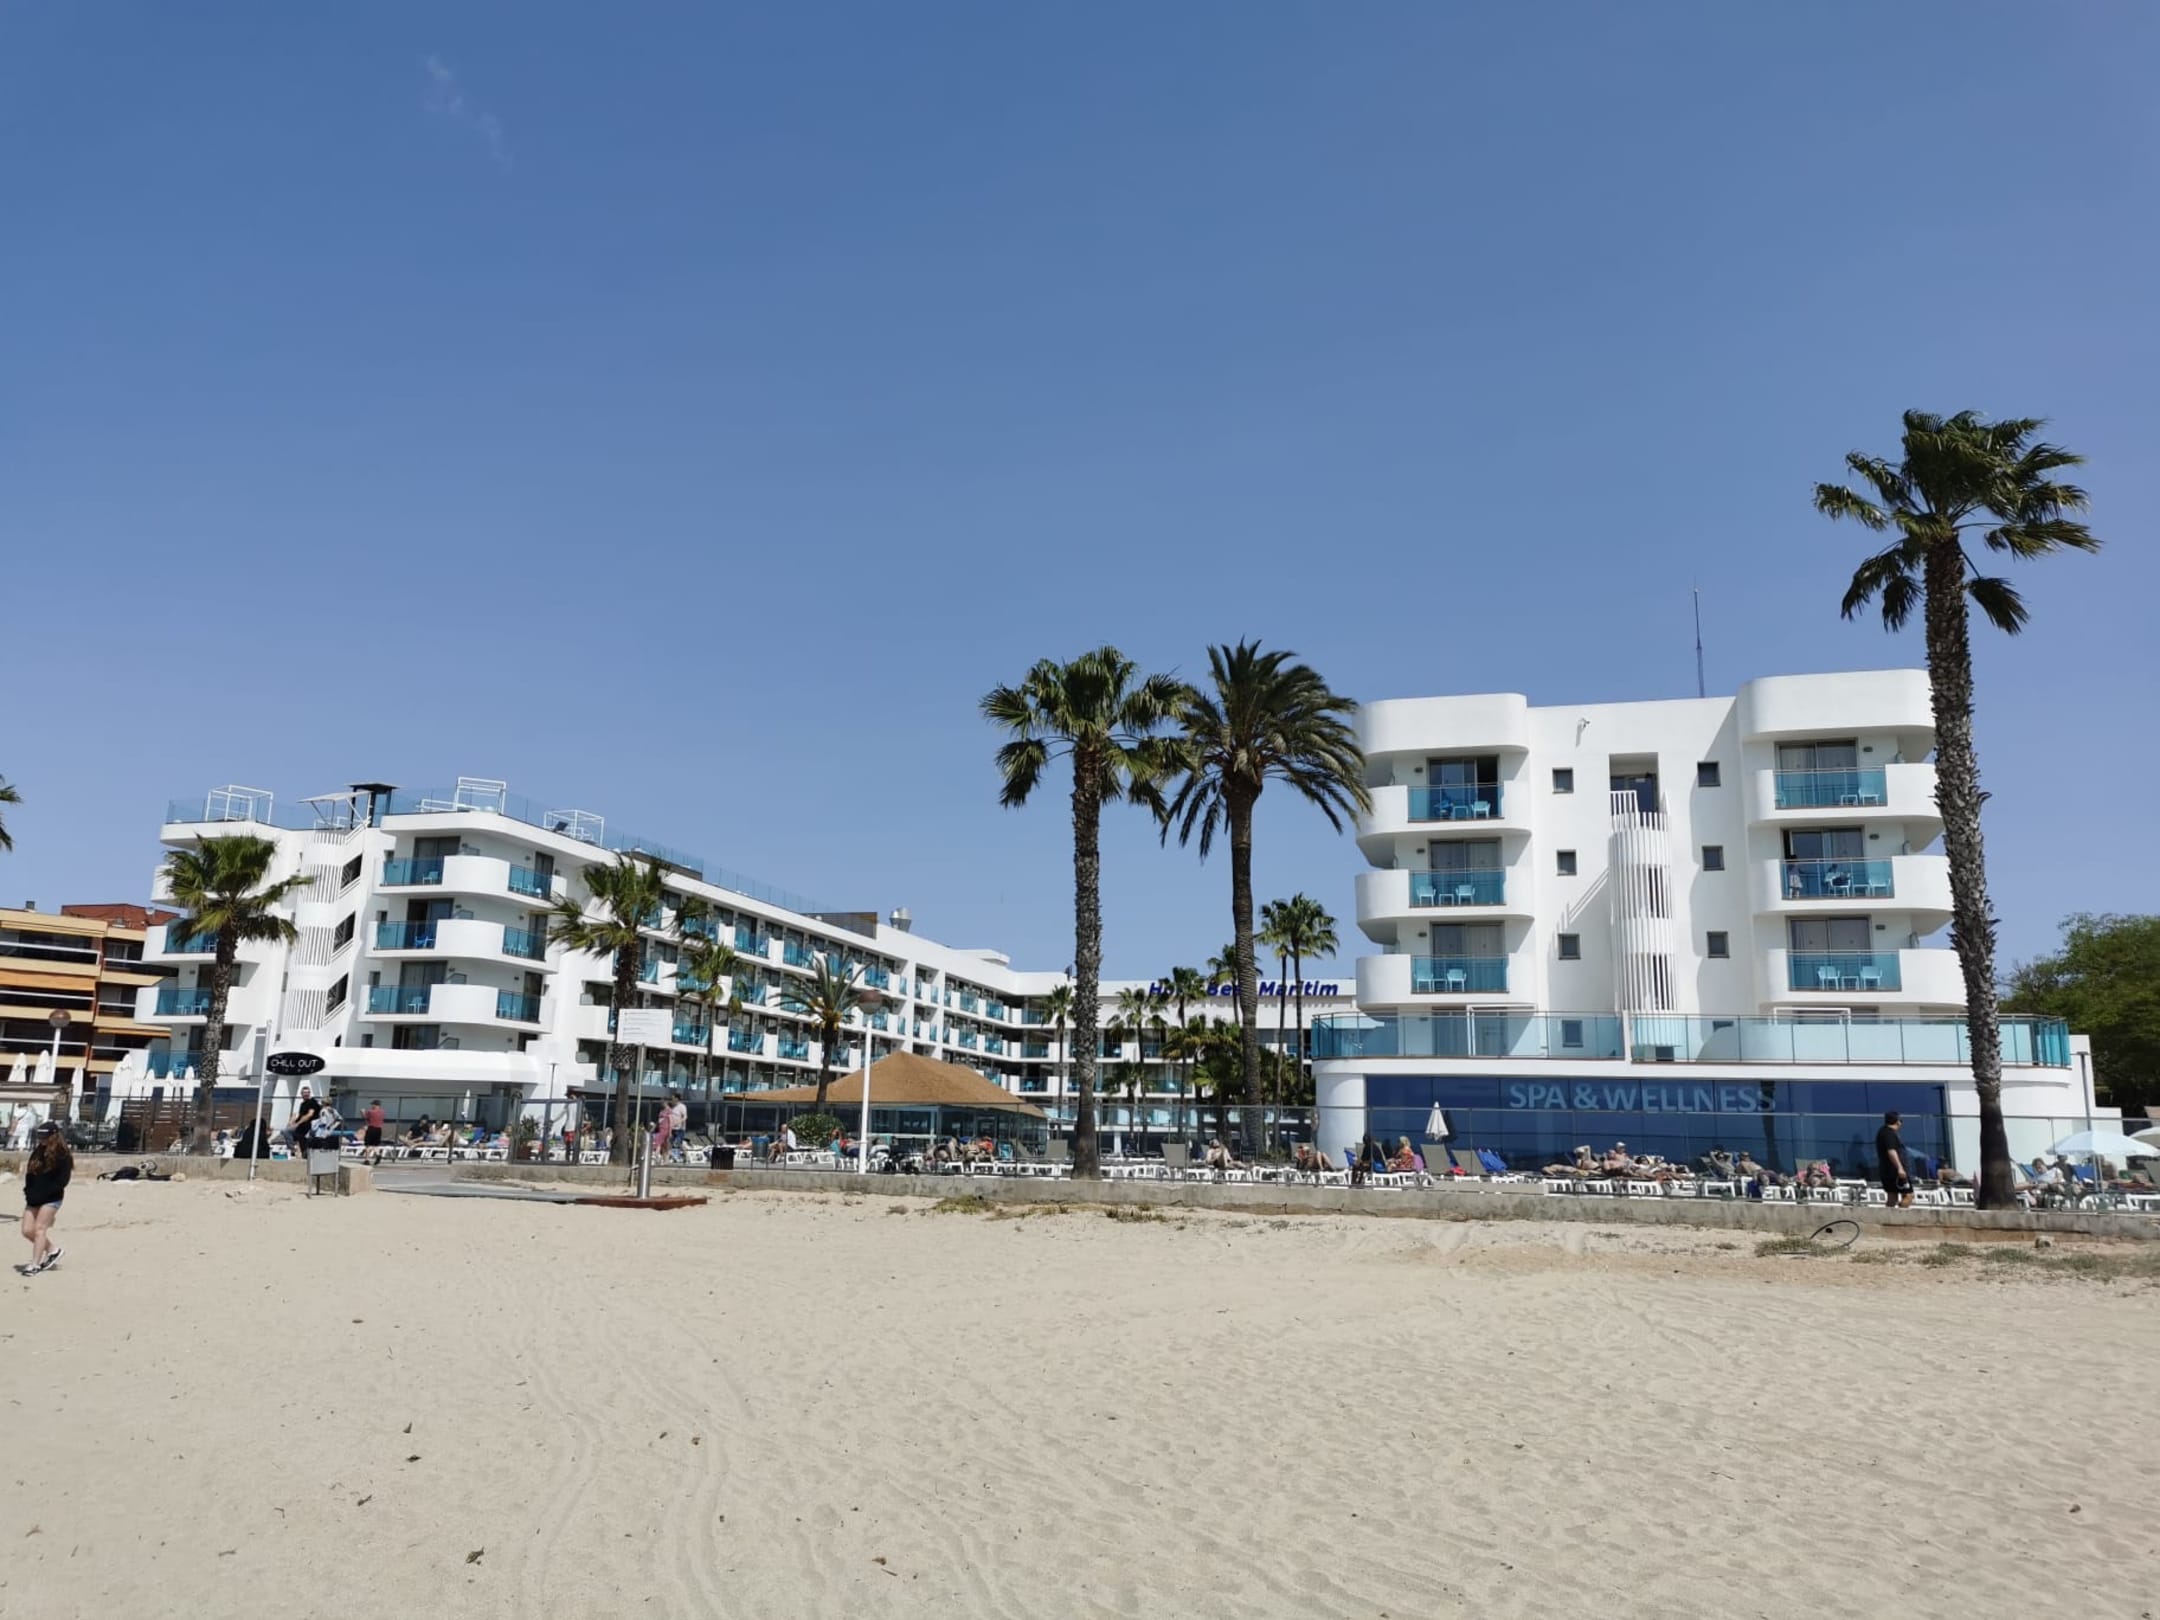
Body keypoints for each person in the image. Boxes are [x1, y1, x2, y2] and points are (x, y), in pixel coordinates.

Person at [19, 1121, 73, 1276]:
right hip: (33, 1198)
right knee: (27, 1230)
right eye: (40, 1137)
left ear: (53, 1136)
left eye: (44, 1137)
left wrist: (46, 1193)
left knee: (39, 1229)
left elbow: (63, 1180)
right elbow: (30, 1174)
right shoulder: (38, 1151)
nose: (41, 1140)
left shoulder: (63, 1154)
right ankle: (53, 1250)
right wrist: (28, 1191)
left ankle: (35, 1265)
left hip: (51, 1198)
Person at [1875, 1111, 1913, 1209]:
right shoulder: (1889, 1134)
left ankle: (1888, 1216)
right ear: (1897, 1121)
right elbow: (1891, 1151)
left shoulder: (1883, 1132)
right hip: (1894, 1171)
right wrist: (1900, 1168)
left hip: (1887, 1170)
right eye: (1901, 1120)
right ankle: (1900, 1214)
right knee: (1908, 1195)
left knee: (1892, 1197)